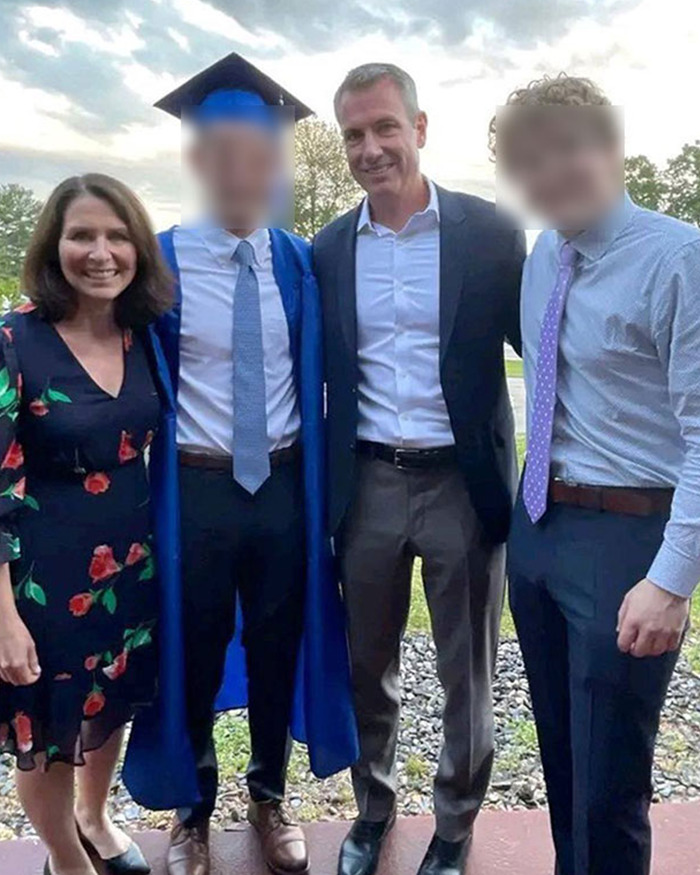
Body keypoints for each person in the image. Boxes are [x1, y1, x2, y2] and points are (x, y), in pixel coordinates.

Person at [121, 53, 358, 875]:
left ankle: (267, 795)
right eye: (219, 147)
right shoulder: (154, 260)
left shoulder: (298, 260)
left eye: (255, 150)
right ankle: (192, 810)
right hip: (193, 488)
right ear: (197, 156)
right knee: (189, 645)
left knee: (276, 642)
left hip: (285, 486)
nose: (238, 165)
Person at [313, 63, 525, 875]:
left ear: (421, 127)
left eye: (384, 128)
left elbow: (543, 353)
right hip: (364, 484)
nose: (370, 149)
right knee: (369, 662)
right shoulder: (328, 249)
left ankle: (457, 820)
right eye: (354, 135)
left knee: (467, 669)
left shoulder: (490, 233)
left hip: (460, 488)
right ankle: (372, 811)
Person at [494, 74, 700, 875]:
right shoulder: (546, 255)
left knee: (612, 780)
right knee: (563, 757)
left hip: (629, 539)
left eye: (567, 150)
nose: (551, 174)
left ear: (610, 149)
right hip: (541, 528)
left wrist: (673, 578)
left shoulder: (679, 259)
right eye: (530, 161)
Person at [0, 173, 173, 875]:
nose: (100, 252)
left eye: (116, 235)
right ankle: (66, 859)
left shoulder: (144, 336)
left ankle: (96, 819)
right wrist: (4, 616)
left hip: (130, 570)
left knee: (109, 709)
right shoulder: (16, 340)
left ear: (138, 247)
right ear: (54, 245)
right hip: (45, 586)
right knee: (44, 726)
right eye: (81, 235)